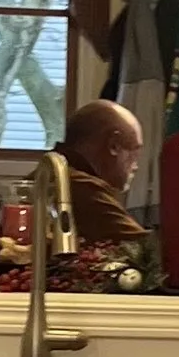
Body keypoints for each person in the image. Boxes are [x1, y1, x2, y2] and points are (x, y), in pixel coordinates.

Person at [58, 98, 145, 246]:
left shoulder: (53, 174)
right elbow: (146, 249)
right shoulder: (78, 186)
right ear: (113, 145)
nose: (136, 166)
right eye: (134, 152)